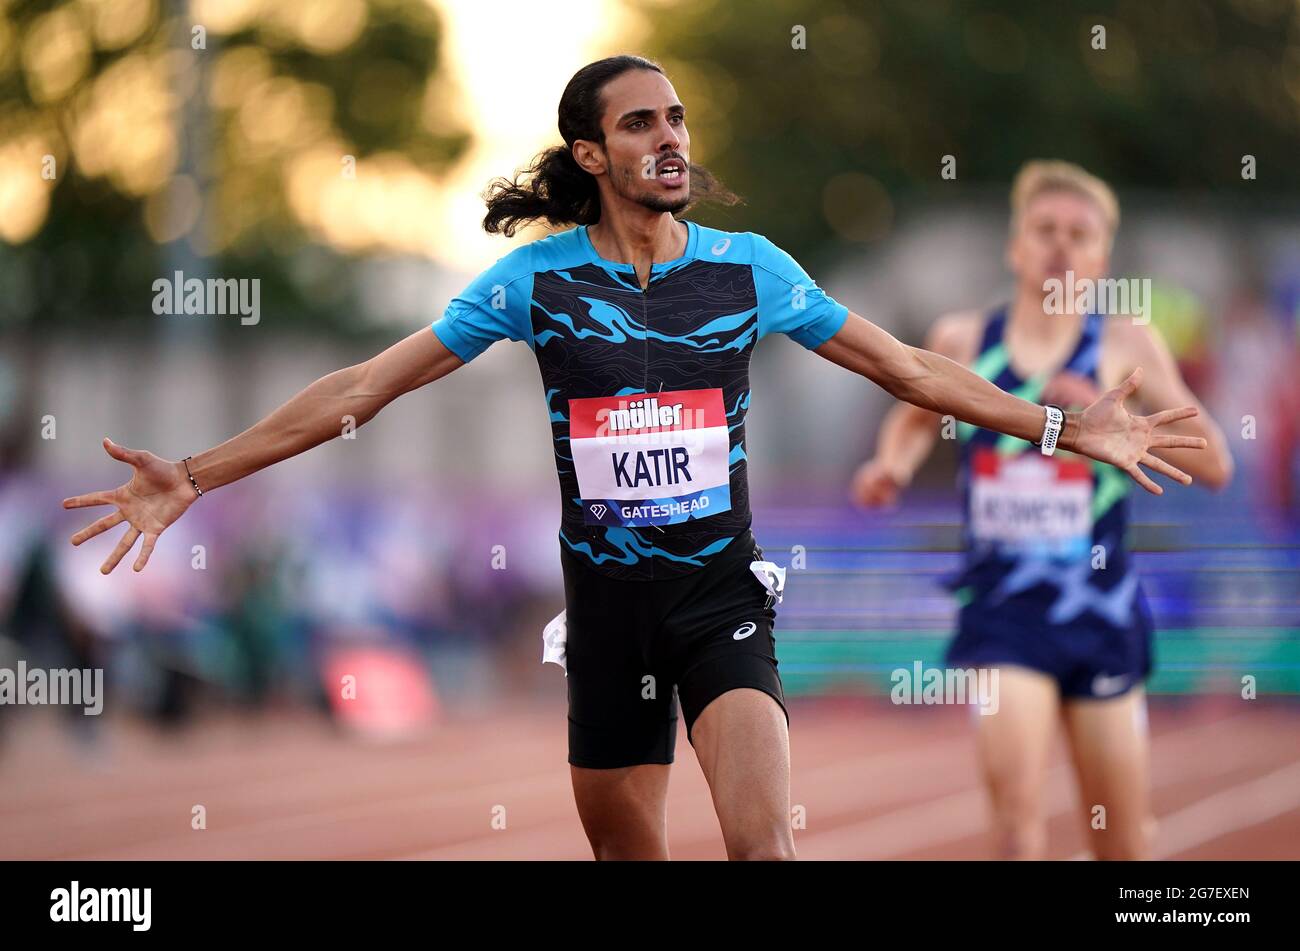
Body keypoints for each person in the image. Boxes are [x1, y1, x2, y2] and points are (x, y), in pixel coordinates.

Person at [65, 59, 1207, 861]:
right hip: (607, 615)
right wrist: (197, 473)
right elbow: (363, 388)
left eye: (678, 120)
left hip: (721, 601)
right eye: (643, 125)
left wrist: (1057, 427)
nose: (672, 140)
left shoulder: (750, 267)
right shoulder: (534, 282)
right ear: (591, 153)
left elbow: (909, 368)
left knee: (764, 847)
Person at [851, 160, 1233, 859]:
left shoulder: (1127, 345)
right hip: (1004, 613)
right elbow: (911, 416)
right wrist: (890, 466)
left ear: (1101, 256)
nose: (1061, 244)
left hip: (1102, 612)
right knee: (1017, 824)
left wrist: (1124, 413)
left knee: (1122, 841)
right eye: (1045, 229)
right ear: (1016, 247)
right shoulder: (964, 339)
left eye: (1079, 233)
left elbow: (1214, 463)